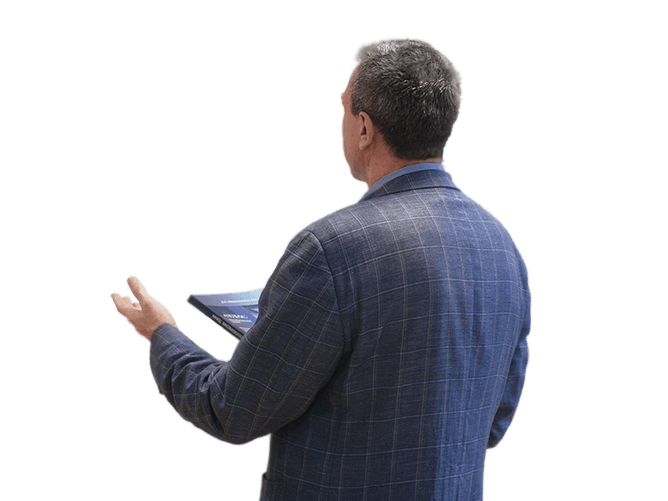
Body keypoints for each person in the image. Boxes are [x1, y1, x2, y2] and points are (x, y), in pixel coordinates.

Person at [111, 37, 532, 501]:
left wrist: (161, 334)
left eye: (344, 108)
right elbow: (495, 420)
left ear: (365, 128)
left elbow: (230, 409)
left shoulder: (331, 249)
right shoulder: (503, 246)